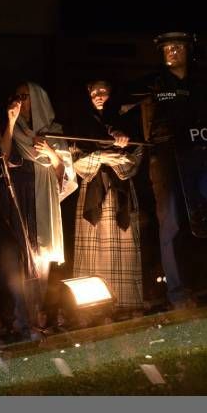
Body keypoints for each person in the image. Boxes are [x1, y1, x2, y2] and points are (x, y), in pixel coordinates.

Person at [122, 32, 207, 309]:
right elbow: (117, 107)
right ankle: (179, 294)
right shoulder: (153, 82)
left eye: (178, 47)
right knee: (172, 223)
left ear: (188, 50)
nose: (172, 52)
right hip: (167, 157)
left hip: (206, 156)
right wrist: (116, 131)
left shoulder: (204, 84)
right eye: (167, 48)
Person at [0, 82, 77, 330]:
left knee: (41, 259)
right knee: (22, 260)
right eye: (18, 96)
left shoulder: (54, 132)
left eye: (26, 97)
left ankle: (34, 317)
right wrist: (10, 123)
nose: (21, 101)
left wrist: (51, 153)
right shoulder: (15, 128)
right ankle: (22, 317)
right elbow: (2, 156)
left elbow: (64, 175)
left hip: (43, 201)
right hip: (21, 198)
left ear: (38, 100)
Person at [70, 80, 144, 316]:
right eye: (94, 91)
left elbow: (135, 159)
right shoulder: (81, 123)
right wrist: (101, 156)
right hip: (93, 191)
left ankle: (126, 306)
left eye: (104, 91)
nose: (99, 95)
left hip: (120, 191)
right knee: (93, 250)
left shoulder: (127, 121)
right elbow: (77, 162)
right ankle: (92, 309)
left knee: (125, 246)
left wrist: (118, 157)